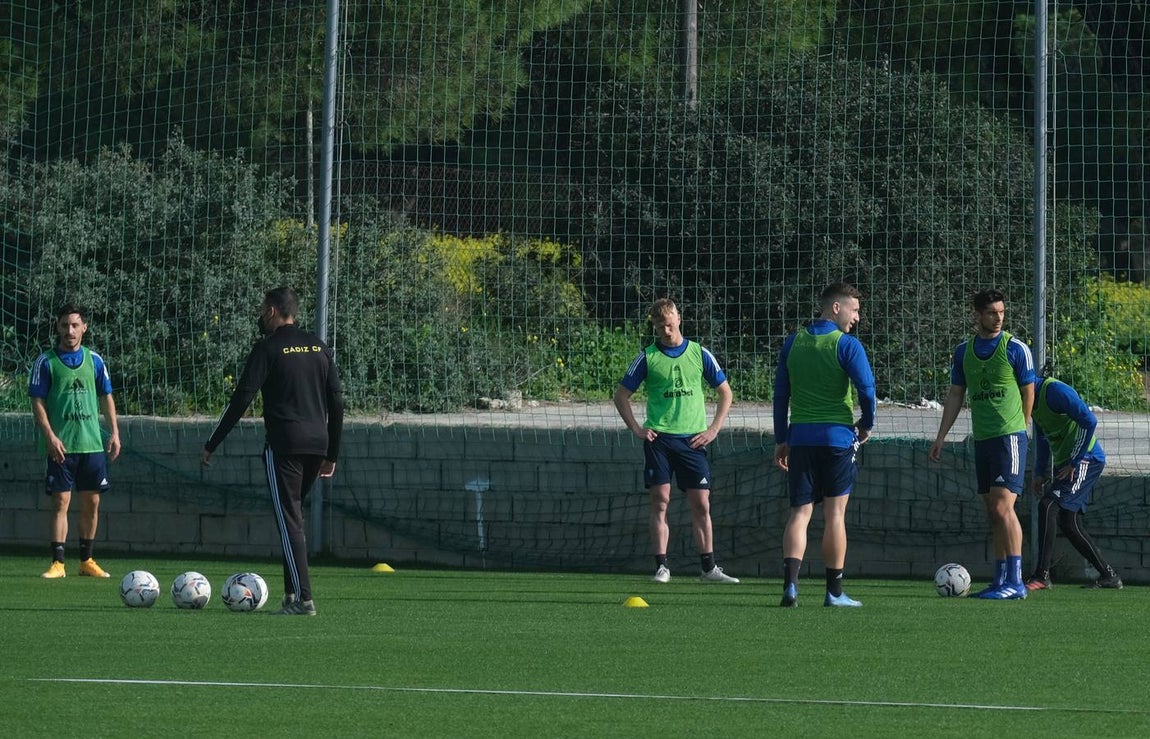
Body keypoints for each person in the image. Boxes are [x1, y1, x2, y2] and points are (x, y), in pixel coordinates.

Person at [201, 287, 344, 616]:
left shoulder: (268, 348)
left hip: (284, 445)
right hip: (317, 443)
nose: (261, 314)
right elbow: (337, 402)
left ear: (272, 311)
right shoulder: (318, 347)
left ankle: (304, 600)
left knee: (289, 519)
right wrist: (332, 453)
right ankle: (292, 595)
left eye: (263, 308)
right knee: (293, 517)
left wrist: (212, 443)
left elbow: (242, 398)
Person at [613, 298, 739, 584]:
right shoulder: (648, 357)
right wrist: (637, 428)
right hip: (659, 439)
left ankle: (709, 568)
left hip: (692, 440)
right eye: (660, 327)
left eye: (669, 324)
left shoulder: (698, 353)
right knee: (660, 501)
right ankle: (662, 566)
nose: (666, 331)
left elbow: (725, 392)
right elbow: (621, 395)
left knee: (701, 504)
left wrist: (713, 429)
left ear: (679, 319)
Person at [773, 282, 876, 608]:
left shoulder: (793, 342)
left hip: (801, 439)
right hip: (836, 440)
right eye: (855, 309)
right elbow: (867, 390)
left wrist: (782, 438)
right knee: (834, 515)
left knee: (799, 514)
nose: (857, 318)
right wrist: (866, 425)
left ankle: (790, 587)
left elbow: (780, 396)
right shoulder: (847, 345)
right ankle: (834, 592)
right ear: (836, 308)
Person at [930, 288, 1035, 600]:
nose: (998, 318)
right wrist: (941, 436)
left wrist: (1022, 427)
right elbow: (955, 394)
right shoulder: (964, 352)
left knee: (1004, 507)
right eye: (992, 313)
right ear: (976, 315)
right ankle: (1000, 578)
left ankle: (1016, 583)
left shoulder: (1016, 348)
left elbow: (1029, 390)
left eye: (1002, 312)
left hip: (1009, 438)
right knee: (993, 510)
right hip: (984, 439)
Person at [29, 303, 122, 579]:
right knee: (60, 501)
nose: (69, 330)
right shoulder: (45, 362)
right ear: (57, 328)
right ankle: (58, 563)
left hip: (91, 444)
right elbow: (37, 401)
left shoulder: (95, 360)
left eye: (74, 325)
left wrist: (115, 432)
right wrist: (50, 436)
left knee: (92, 502)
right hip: (61, 445)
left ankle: (86, 560)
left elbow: (106, 397)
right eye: (64, 325)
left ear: (84, 327)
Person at [1025, 375, 1122, 590]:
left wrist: (1074, 461)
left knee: (1048, 505)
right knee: (1069, 523)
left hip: (1086, 459)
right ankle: (1109, 576)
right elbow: (1041, 436)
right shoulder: (1031, 399)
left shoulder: (1056, 391)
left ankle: (1042, 575)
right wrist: (1040, 472)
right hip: (1068, 464)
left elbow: (1089, 421)